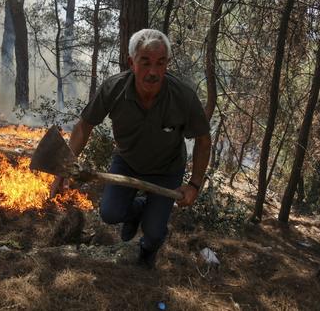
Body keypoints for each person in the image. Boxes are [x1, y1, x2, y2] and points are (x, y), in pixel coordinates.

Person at [52, 28, 211, 268]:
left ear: (167, 64)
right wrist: (65, 166)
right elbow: (85, 125)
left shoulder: (183, 97)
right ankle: (136, 210)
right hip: (127, 162)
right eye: (145, 62)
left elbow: (203, 138)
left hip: (167, 170)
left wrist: (195, 184)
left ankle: (147, 250)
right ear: (131, 62)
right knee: (110, 214)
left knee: (155, 231)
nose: (153, 72)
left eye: (160, 63)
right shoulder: (113, 89)